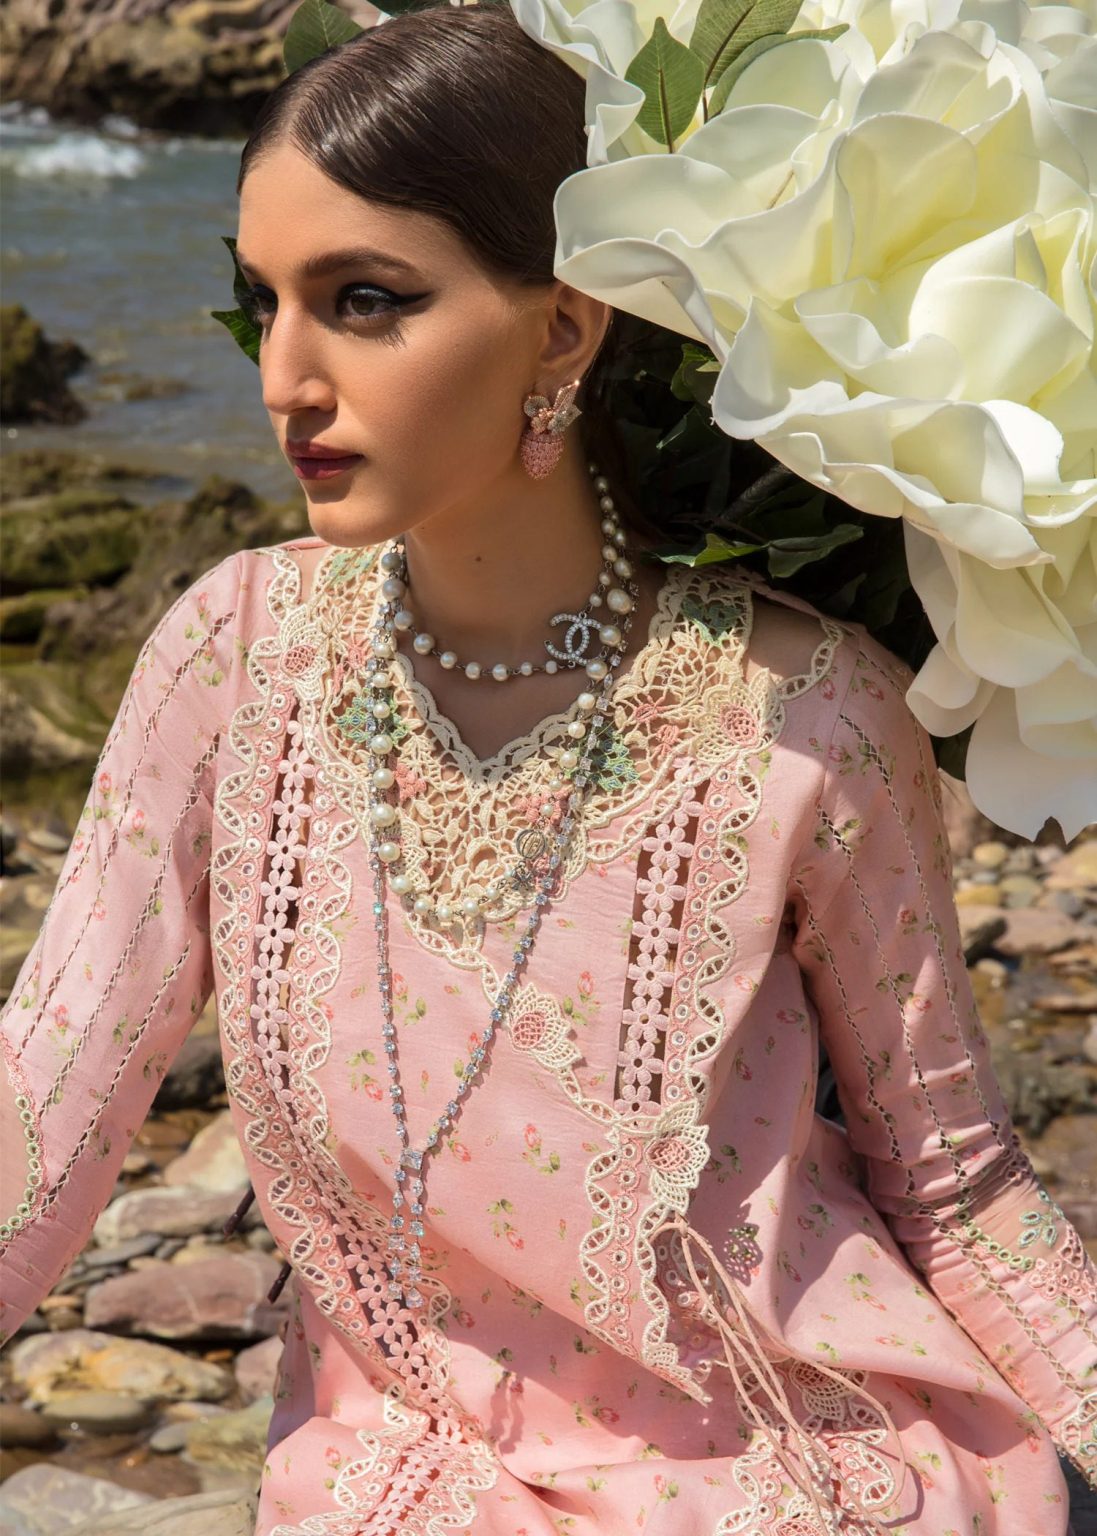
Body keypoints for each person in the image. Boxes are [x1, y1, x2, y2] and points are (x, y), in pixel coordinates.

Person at [1, 5, 1094, 1532]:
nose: (284, 377)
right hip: (413, 1486)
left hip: (809, 1478)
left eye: (364, 300)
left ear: (565, 329)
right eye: (265, 302)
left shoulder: (806, 713)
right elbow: (43, 1107)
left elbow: (955, 1180)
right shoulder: (233, 661)